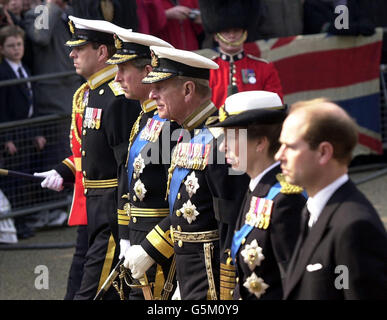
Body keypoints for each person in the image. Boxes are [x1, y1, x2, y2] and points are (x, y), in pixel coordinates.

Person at [124, 46, 249, 300]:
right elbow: (183, 212)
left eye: (160, 87)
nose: (152, 93)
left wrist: (225, 291)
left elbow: (233, 222)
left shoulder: (223, 141)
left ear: (188, 89)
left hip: (213, 283)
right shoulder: (186, 133)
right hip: (190, 276)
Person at [34, 16, 141, 300]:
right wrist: (63, 170)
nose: (71, 54)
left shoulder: (116, 98)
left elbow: (125, 166)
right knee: (84, 282)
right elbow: (90, 152)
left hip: (110, 210)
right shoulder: (90, 93)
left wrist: (126, 223)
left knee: (91, 290)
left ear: (102, 52)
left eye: (79, 48)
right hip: (91, 206)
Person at [275, 98, 387, 300]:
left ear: (324, 152)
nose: (278, 155)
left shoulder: (354, 227)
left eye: (289, 146)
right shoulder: (313, 210)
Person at [209, 90, 306, 299]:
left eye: (232, 137)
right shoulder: (256, 186)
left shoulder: (285, 199)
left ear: (261, 143)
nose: (223, 146)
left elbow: (297, 284)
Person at [105, 28, 177, 300]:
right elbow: (128, 181)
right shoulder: (144, 120)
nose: (117, 78)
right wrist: (125, 236)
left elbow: (181, 200)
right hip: (138, 240)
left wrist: (152, 247)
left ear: (147, 71)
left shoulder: (173, 125)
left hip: (162, 248)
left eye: (123, 70)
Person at [0, 24, 45, 239]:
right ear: (2, 49)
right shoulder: (3, 73)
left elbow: (32, 105)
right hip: (13, 133)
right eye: (11, 46)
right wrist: (7, 137)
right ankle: (17, 223)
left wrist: (37, 131)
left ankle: (26, 220)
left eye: (19, 44)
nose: (16, 49)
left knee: (26, 175)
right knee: (13, 180)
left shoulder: (25, 68)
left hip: (27, 131)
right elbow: (2, 109)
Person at [198, 0, 283, 109]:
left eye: (236, 31)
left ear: (245, 34)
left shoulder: (264, 68)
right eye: (226, 32)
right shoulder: (207, 71)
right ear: (216, 36)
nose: (232, 36)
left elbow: (275, 104)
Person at [23, 0, 82, 116]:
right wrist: (51, 5)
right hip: (54, 93)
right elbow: (40, 37)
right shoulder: (36, 14)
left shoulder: (72, 12)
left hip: (76, 84)